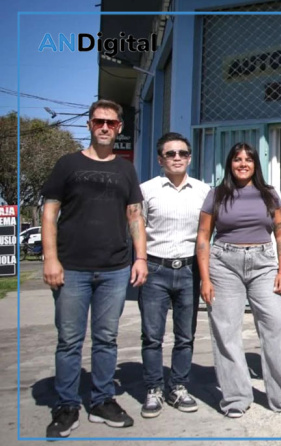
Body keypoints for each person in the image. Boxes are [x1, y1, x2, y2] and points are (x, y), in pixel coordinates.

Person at [41, 99, 147, 438]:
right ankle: (66, 406)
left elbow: (135, 216)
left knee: (106, 339)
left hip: (115, 269)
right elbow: (49, 213)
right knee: (69, 341)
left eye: (111, 123)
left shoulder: (126, 170)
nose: (104, 127)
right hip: (71, 268)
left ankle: (102, 400)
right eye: (99, 121)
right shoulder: (68, 164)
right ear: (89, 124)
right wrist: (50, 258)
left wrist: (140, 258)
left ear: (119, 128)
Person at [195, 142, 281, 418]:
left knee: (276, 327)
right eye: (237, 159)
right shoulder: (216, 194)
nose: (243, 164)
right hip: (224, 264)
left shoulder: (269, 194)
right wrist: (205, 278)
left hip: (263, 263)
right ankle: (236, 398)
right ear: (229, 164)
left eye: (248, 159)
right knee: (226, 331)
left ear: (256, 164)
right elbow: (203, 236)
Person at [138, 133, 210, 418]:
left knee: (185, 336)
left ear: (189, 158)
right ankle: (153, 389)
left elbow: (208, 232)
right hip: (155, 269)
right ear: (160, 159)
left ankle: (178, 386)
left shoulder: (203, 191)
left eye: (182, 153)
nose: (177, 158)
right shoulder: (146, 190)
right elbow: (136, 228)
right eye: (171, 154)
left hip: (190, 270)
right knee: (152, 336)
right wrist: (140, 261)